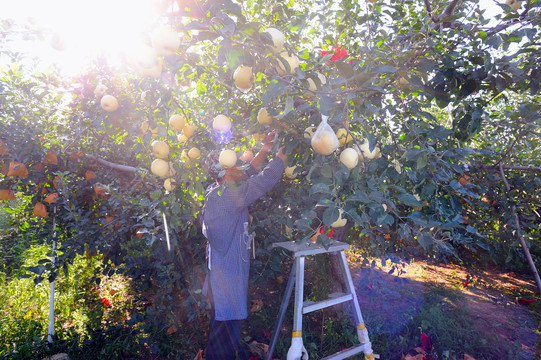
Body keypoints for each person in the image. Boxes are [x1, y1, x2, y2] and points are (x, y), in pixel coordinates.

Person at [202, 133, 286, 360]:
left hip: (221, 271)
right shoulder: (227, 194)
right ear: (224, 171)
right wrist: (282, 158)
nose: (239, 166)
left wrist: (266, 149)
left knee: (223, 327)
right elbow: (264, 180)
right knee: (226, 332)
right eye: (233, 164)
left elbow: (248, 171)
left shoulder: (218, 189)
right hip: (225, 277)